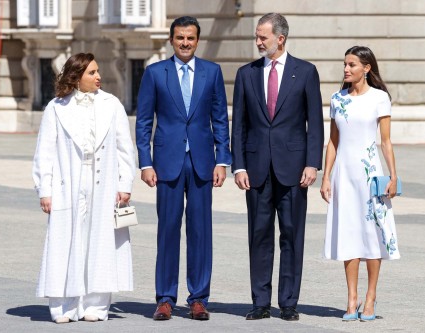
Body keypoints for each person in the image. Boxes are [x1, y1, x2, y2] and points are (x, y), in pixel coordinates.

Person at [135, 16, 231, 321]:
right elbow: (144, 122)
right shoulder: (154, 73)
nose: (185, 43)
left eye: (190, 38)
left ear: (197, 40)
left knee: (201, 231)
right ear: (171, 40)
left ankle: (198, 297)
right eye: (180, 38)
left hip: (202, 162)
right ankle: (165, 297)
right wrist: (146, 162)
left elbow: (220, 119)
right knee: (168, 229)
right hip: (167, 163)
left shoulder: (212, 72)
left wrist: (223, 160)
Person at [231, 13, 324, 321]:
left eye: (263, 37)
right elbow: (239, 125)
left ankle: (288, 303)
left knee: (291, 235)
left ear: (280, 39)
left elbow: (315, 123)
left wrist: (313, 163)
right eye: (257, 37)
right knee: (258, 235)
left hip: (294, 169)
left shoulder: (306, 72)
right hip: (256, 169)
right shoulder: (246, 74)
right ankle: (260, 302)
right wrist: (238, 166)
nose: (258, 42)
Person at [32, 53, 136, 324]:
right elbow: (44, 152)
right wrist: (45, 189)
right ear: (76, 77)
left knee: (101, 243)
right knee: (66, 242)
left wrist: (125, 184)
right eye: (91, 72)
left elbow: (126, 149)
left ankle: (96, 307)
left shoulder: (112, 105)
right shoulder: (56, 107)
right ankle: (64, 306)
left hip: (104, 185)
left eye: (98, 71)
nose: (98, 76)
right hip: (68, 185)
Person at [320, 46, 401, 322]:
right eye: (345, 64)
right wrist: (326, 177)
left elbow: (386, 141)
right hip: (344, 174)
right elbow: (333, 141)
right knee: (349, 234)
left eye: (351, 65)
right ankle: (351, 298)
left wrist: (393, 176)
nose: (346, 69)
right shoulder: (336, 99)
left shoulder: (379, 98)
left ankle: (370, 297)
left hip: (370, 173)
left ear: (366, 68)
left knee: (372, 235)